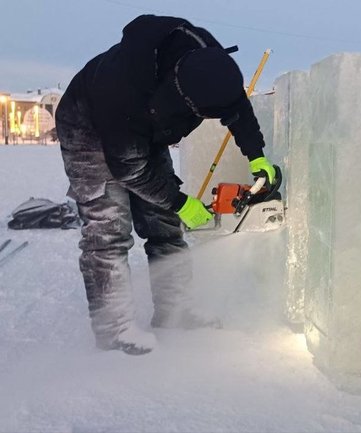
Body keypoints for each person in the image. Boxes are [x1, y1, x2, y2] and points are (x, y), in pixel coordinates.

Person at [55, 14, 276, 355]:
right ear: (181, 97)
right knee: (108, 229)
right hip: (90, 128)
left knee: (164, 225)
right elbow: (129, 169)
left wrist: (257, 156)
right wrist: (180, 201)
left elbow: (237, 108)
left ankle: (175, 313)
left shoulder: (208, 60)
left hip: (147, 130)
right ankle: (114, 329)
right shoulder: (124, 86)